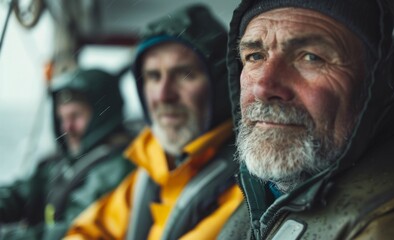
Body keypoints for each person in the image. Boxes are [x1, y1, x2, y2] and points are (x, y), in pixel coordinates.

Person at [219, 0, 394, 239]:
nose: (264, 87)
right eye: (255, 56)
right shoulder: (265, 191)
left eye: (311, 58)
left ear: (380, 81)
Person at [65, 4, 243, 240]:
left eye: (184, 74)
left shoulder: (245, 188)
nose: (162, 95)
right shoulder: (151, 165)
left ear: (221, 85)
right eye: (153, 76)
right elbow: (89, 230)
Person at [0, 68, 135, 240]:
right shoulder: (65, 162)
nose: (67, 128)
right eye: (62, 119)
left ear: (103, 114)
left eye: (76, 116)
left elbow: (76, 231)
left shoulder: (118, 169)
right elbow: (22, 192)